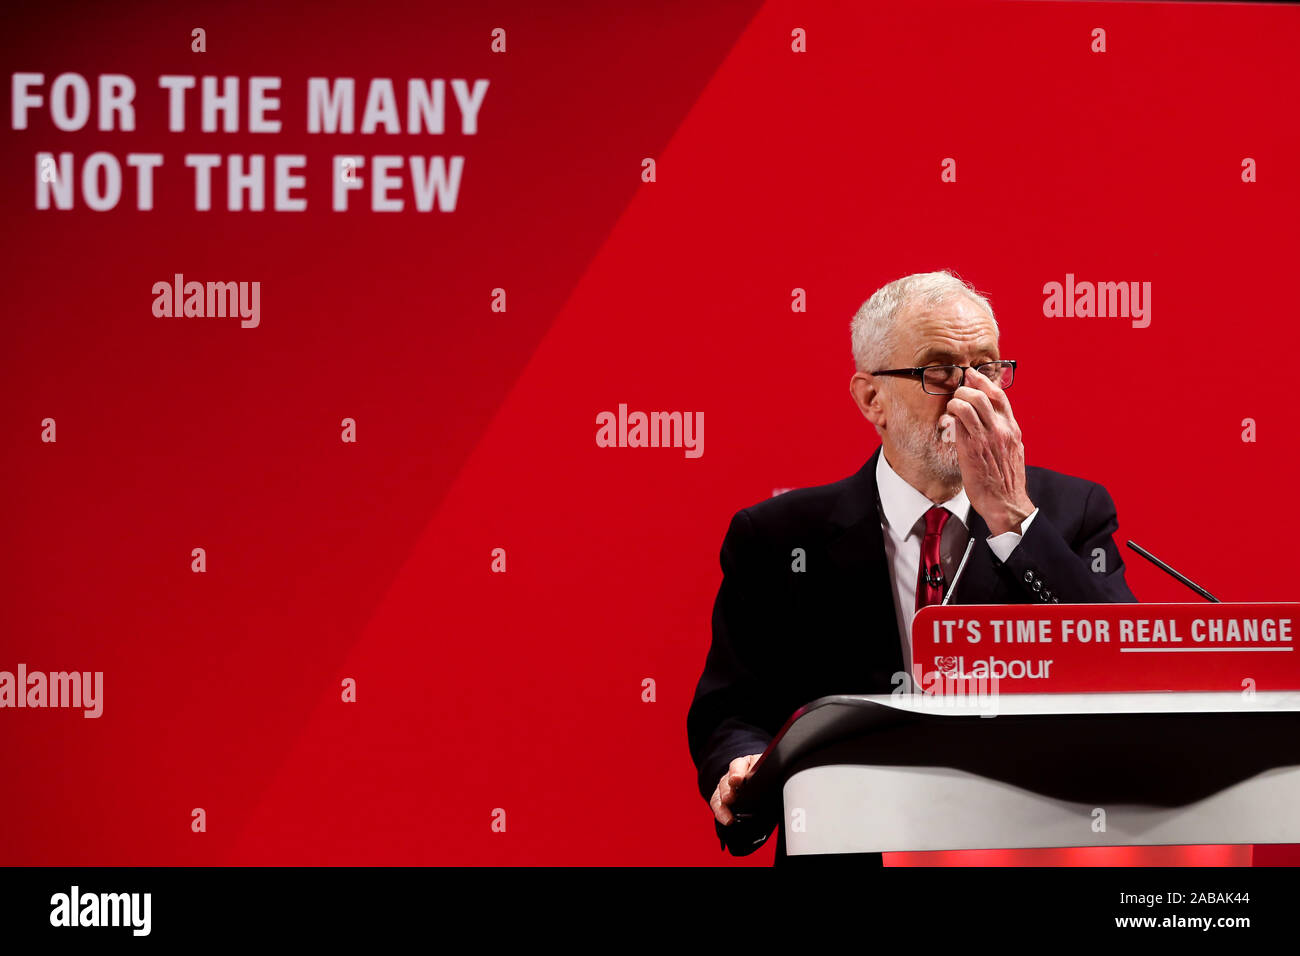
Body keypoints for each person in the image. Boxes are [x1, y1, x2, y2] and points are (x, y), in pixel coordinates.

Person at [686, 270, 1138, 863]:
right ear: (871, 398)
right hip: (848, 848)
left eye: (989, 367)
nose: (973, 393)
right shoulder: (776, 538)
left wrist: (1013, 519)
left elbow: (1123, 675)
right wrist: (741, 767)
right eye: (941, 370)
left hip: (1022, 850)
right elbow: (734, 709)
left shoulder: (1069, 513)